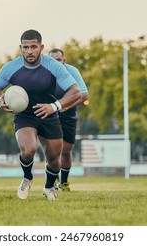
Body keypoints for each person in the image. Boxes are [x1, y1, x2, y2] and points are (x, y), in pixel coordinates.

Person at [0, 29, 81, 201]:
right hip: (24, 115)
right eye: (25, 47)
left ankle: (48, 188)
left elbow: (75, 92)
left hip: (49, 114)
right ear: (20, 48)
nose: (29, 51)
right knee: (28, 150)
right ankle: (27, 178)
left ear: (41, 47)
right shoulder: (11, 67)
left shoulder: (54, 66)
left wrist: (54, 106)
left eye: (33, 47)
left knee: (54, 160)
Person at [48, 48, 89, 191]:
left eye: (59, 60)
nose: (56, 63)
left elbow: (84, 95)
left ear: (64, 61)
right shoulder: (44, 73)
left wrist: (66, 105)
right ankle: (53, 180)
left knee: (66, 151)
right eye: (53, 60)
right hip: (50, 114)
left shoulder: (72, 71)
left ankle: (64, 182)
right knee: (52, 151)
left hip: (68, 115)